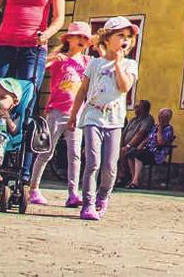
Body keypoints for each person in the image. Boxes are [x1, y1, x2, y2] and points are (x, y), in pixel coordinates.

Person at [68, 16, 139, 222]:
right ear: (107, 39)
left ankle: (103, 196)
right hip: (92, 116)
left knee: (110, 165)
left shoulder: (130, 64)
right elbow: (82, 90)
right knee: (93, 161)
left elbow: (125, 87)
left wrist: (117, 64)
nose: (125, 40)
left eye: (128, 37)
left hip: (114, 120)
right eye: (120, 35)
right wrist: (74, 115)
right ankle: (88, 203)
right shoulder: (95, 63)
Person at [27, 21, 92, 206]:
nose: (81, 40)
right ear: (69, 38)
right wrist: (53, 58)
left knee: (75, 155)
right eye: (78, 36)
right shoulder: (60, 58)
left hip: (77, 113)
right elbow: (40, 66)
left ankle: (73, 193)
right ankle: (33, 188)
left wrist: (94, 42)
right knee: (46, 151)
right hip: (56, 110)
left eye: (85, 38)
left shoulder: (87, 62)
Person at [127, 107, 175, 188]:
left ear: (168, 118)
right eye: (160, 116)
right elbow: (149, 137)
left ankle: (135, 182)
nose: (161, 119)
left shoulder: (168, 128)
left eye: (163, 117)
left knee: (138, 155)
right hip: (148, 151)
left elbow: (160, 142)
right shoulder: (155, 126)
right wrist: (141, 144)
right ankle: (134, 179)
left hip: (157, 154)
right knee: (130, 153)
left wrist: (159, 130)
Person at [117, 99, 155, 185]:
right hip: (127, 145)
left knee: (126, 152)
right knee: (115, 151)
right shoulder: (133, 120)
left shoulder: (148, 119)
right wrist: (121, 145)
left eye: (138, 107)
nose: (136, 109)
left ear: (145, 109)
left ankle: (123, 177)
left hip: (137, 147)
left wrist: (128, 146)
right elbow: (124, 133)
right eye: (135, 107)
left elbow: (141, 134)